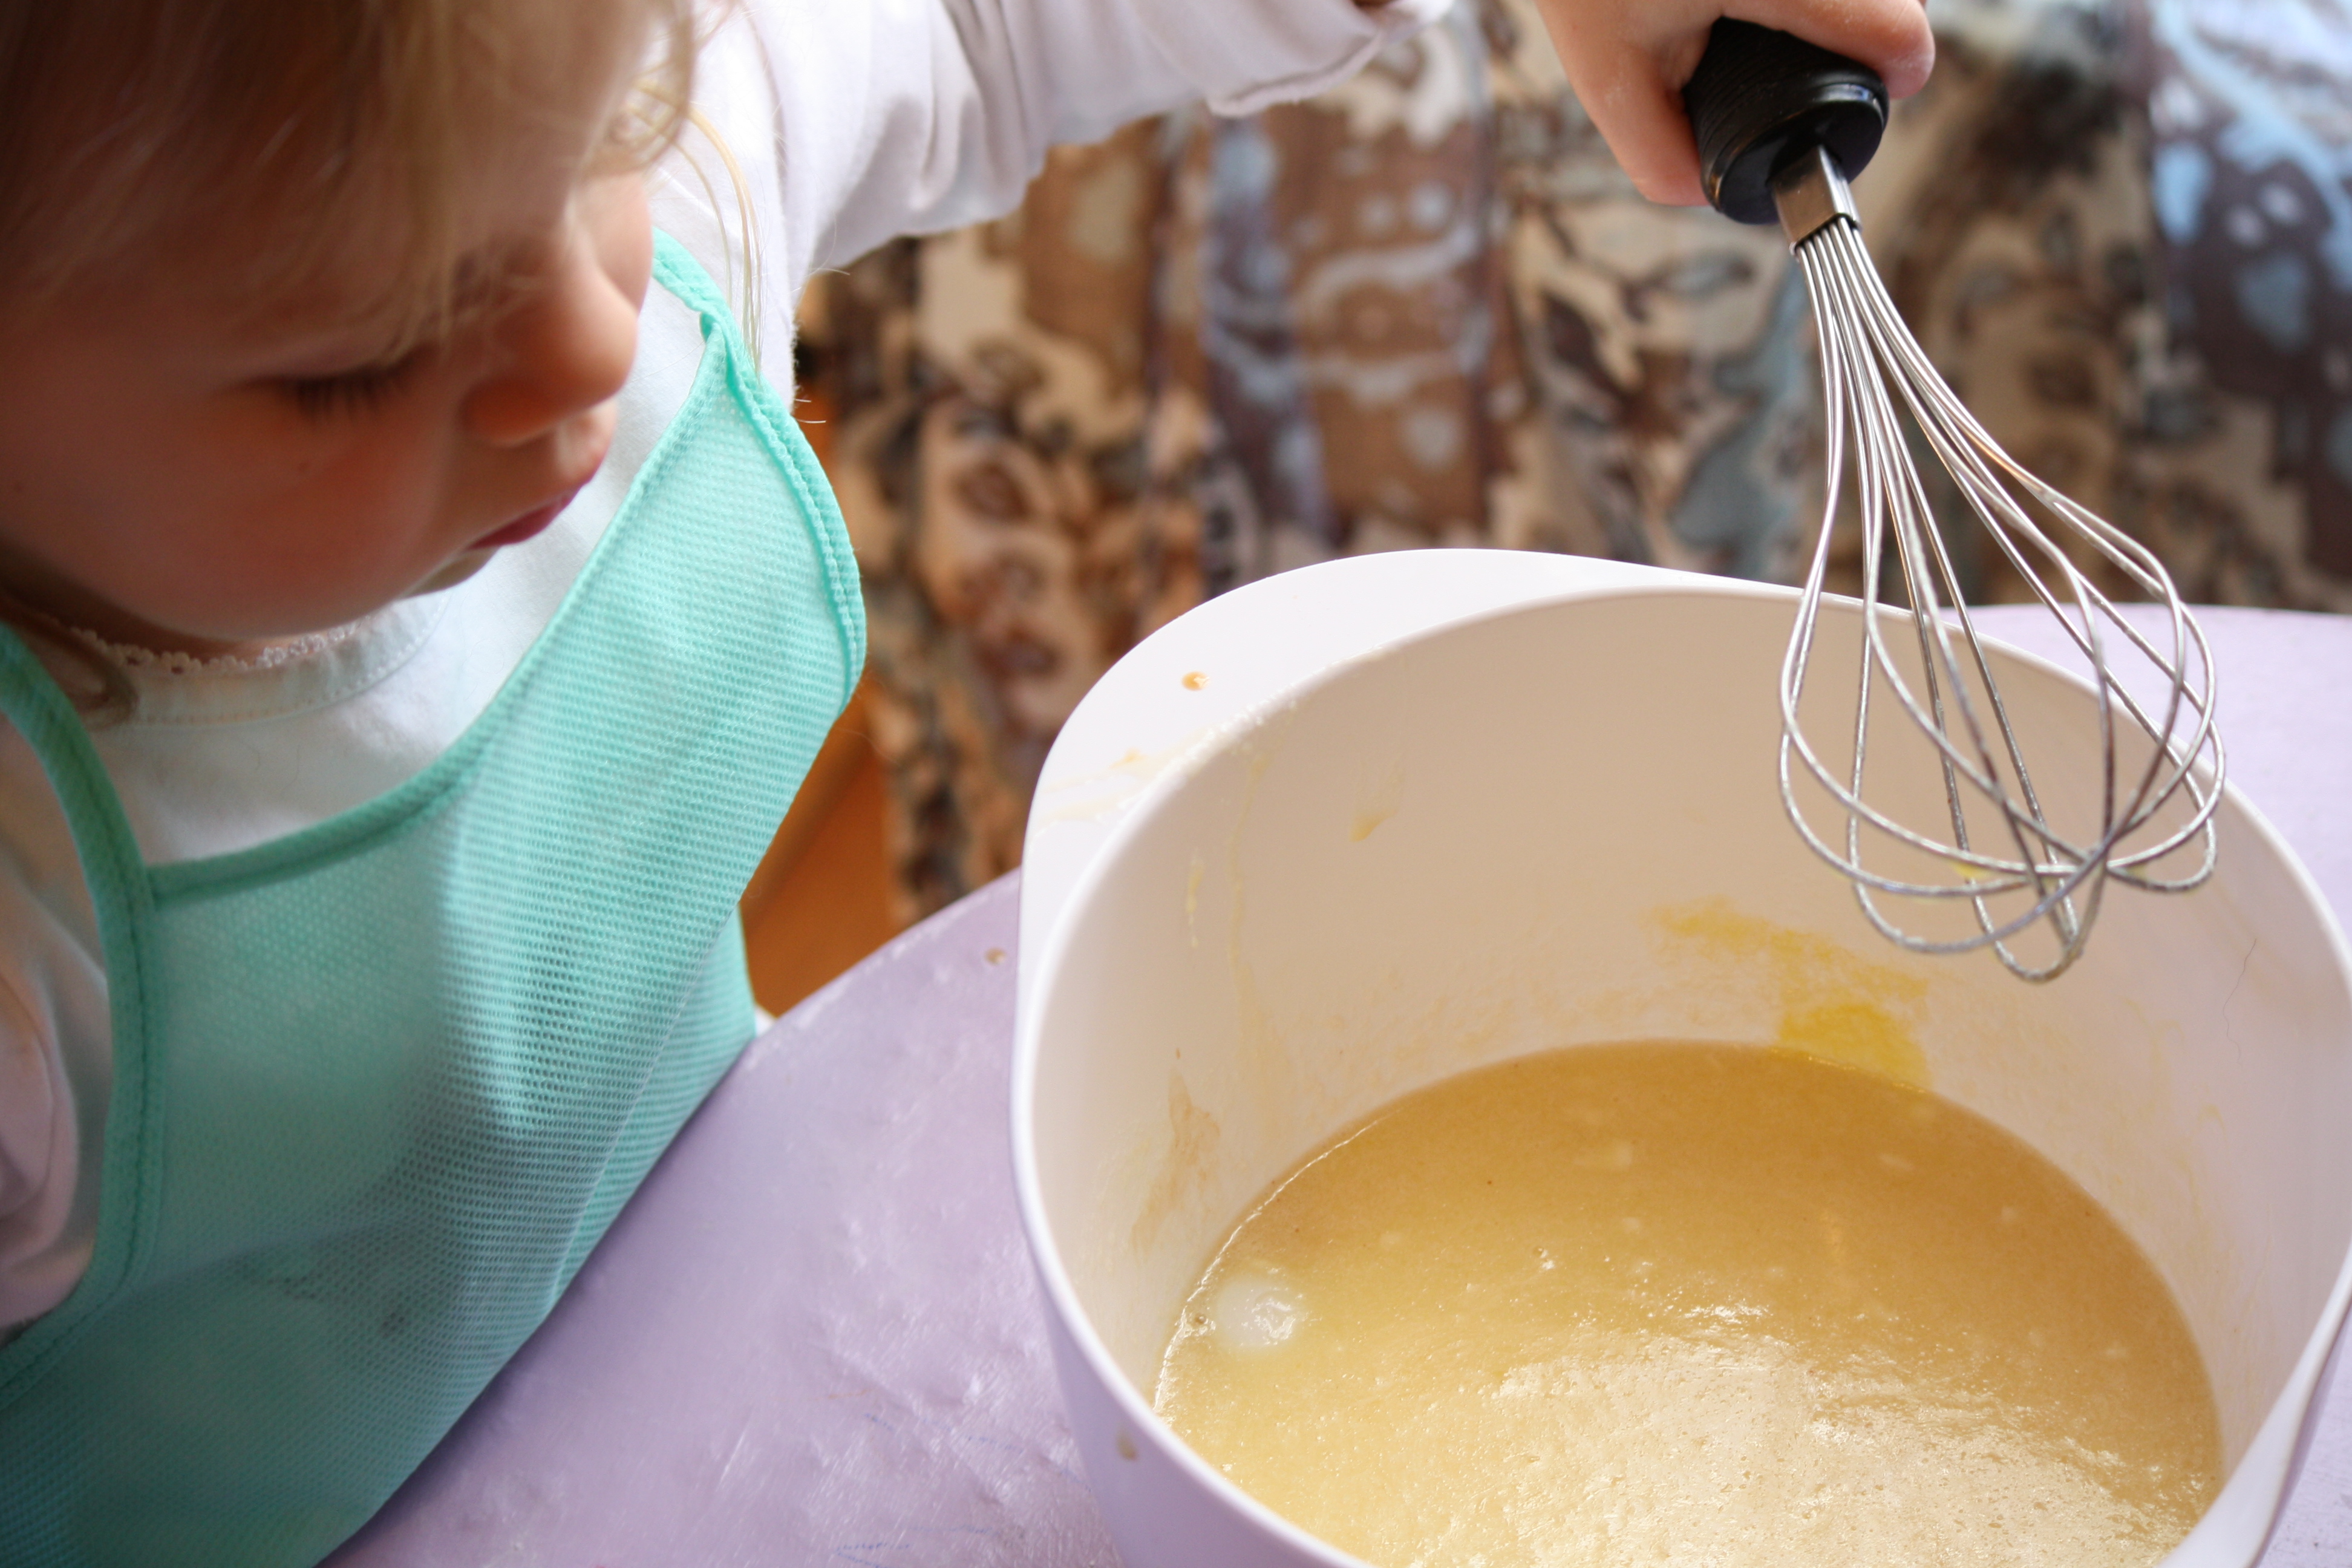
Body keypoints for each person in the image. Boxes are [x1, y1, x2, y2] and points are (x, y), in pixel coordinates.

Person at [0, 0, 1930, 1563]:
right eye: (351, 363)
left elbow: (975, 19)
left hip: (735, 1345)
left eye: (608, 133)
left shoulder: (592, 224)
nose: (592, 336)